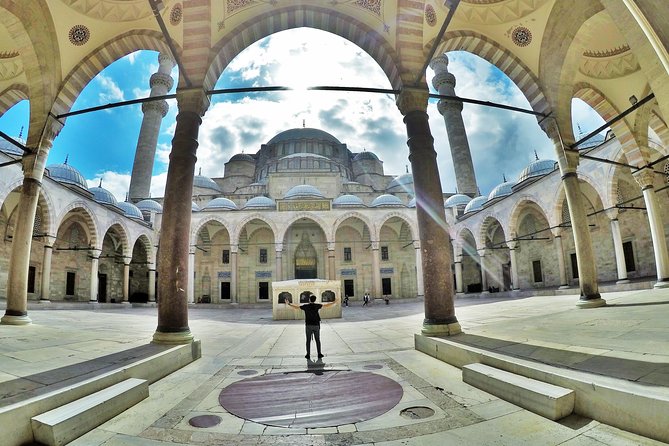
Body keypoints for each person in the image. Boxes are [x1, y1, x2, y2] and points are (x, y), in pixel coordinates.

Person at [286, 294, 338, 359]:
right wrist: (334, 302)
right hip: (316, 325)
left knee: (308, 340)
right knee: (318, 340)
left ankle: (308, 354)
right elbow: (326, 306)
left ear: (309, 300)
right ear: (315, 300)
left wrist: (289, 304)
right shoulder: (317, 306)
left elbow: (297, 307)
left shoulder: (306, 306)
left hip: (308, 325)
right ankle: (319, 354)